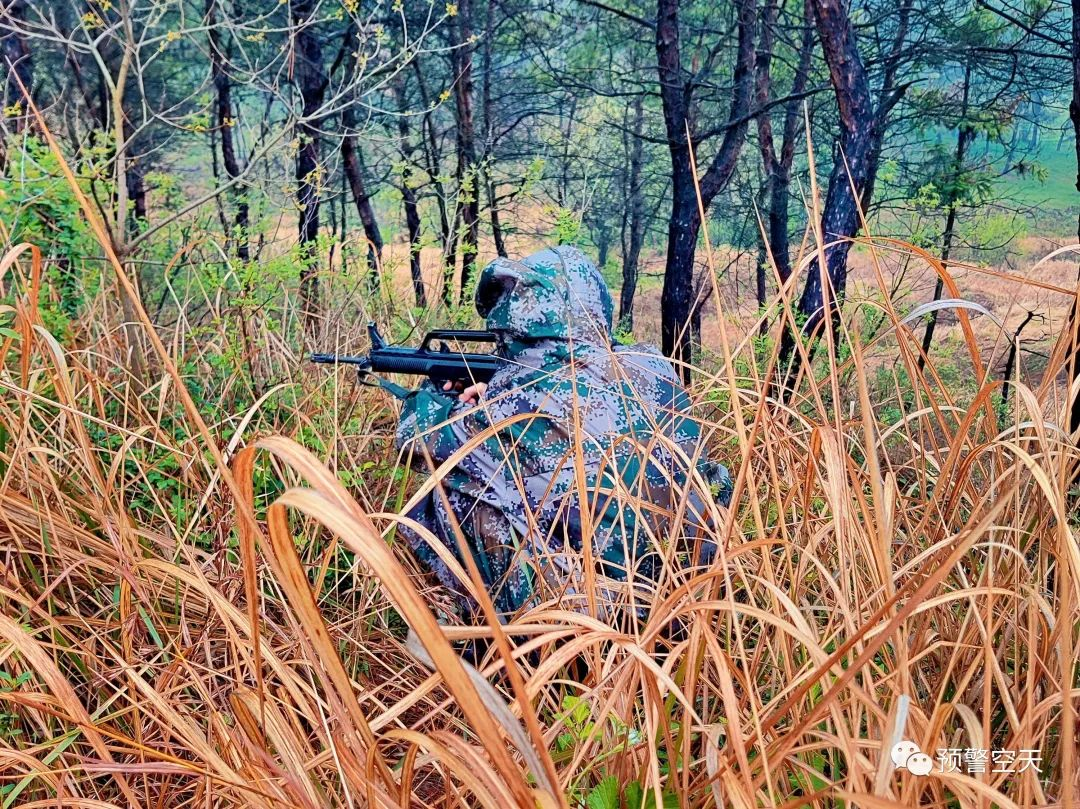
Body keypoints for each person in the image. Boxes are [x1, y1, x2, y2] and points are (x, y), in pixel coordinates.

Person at [395, 245, 731, 619]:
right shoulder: (654, 367)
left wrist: (434, 394)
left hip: (592, 611)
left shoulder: (518, 396)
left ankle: (496, 623)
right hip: (681, 590)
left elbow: (415, 438)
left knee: (451, 490)